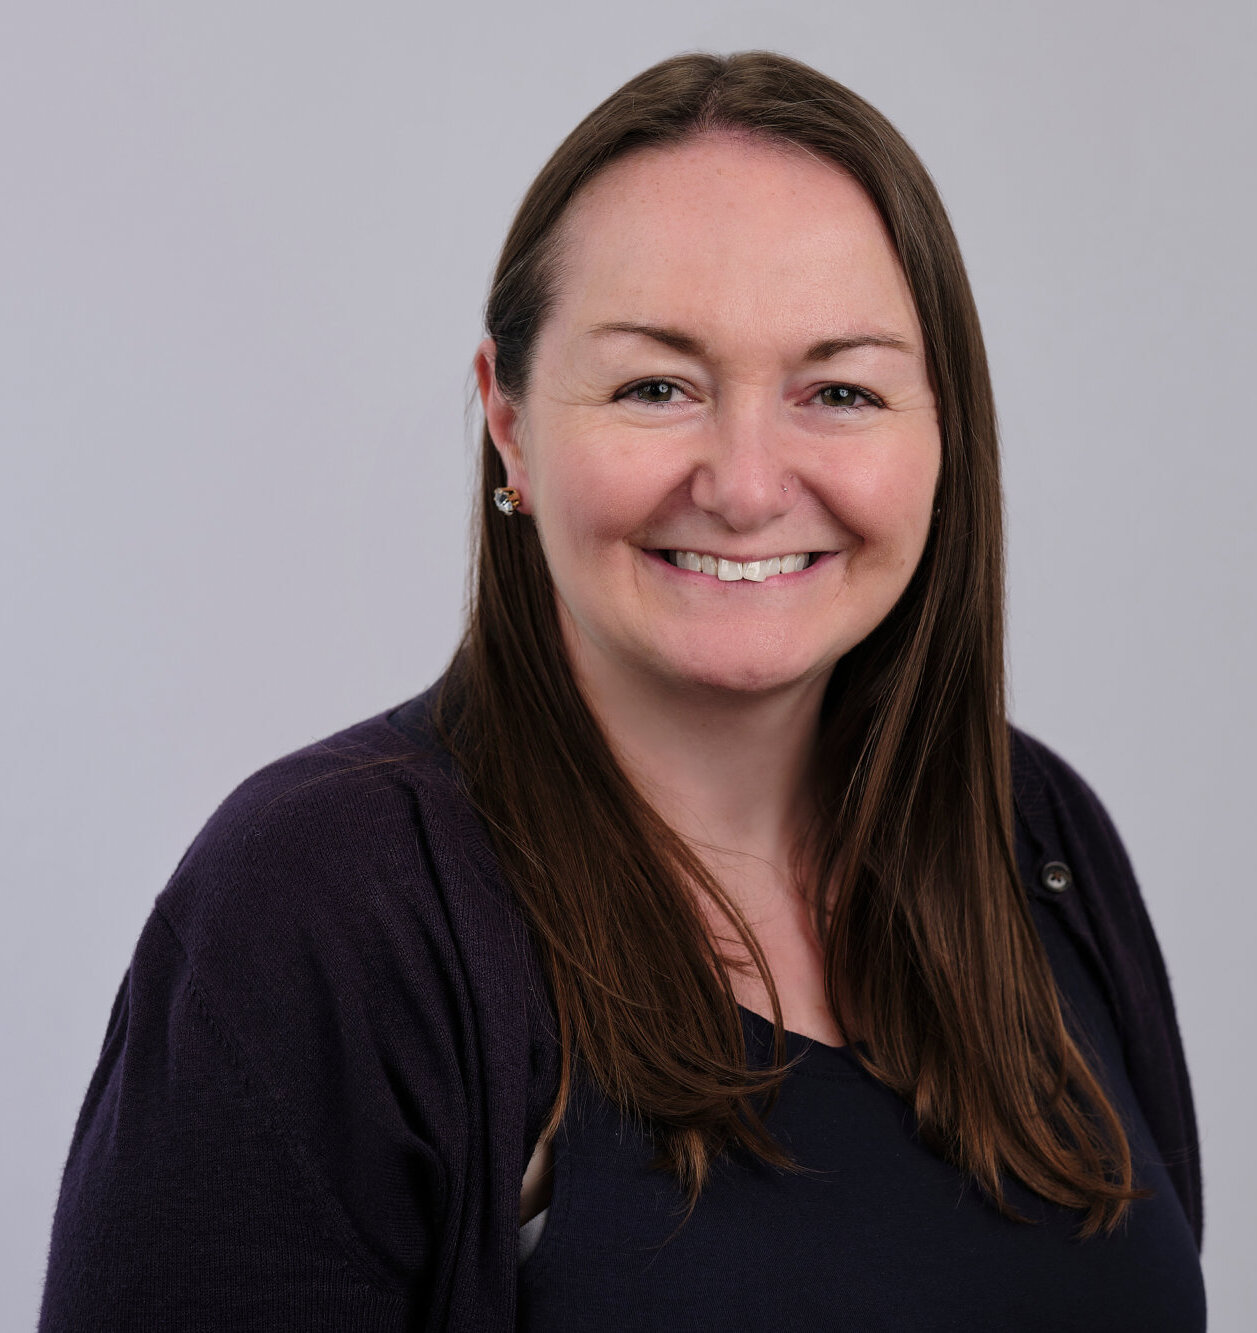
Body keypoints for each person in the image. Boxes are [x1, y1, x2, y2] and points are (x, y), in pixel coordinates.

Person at [39, 51, 1204, 1331]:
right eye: (658, 386)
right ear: (511, 420)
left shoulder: (1038, 836)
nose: (748, 483)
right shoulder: (320, 907)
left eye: (841, 391)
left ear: (943, 435)